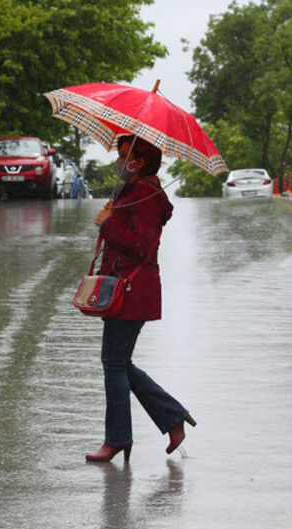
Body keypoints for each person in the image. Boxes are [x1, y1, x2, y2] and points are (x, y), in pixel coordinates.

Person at [86, 135, 195, 463]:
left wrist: (107, 224)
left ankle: (119, 438)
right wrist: (111, 217)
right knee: (118, 363)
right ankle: (171, 418)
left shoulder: (146, 196)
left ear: (139, 162)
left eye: (123, 156)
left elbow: (141, 246)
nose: (118, 161)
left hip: (134, 289)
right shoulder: (131, 192)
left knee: (114, 362)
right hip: (123, 287)